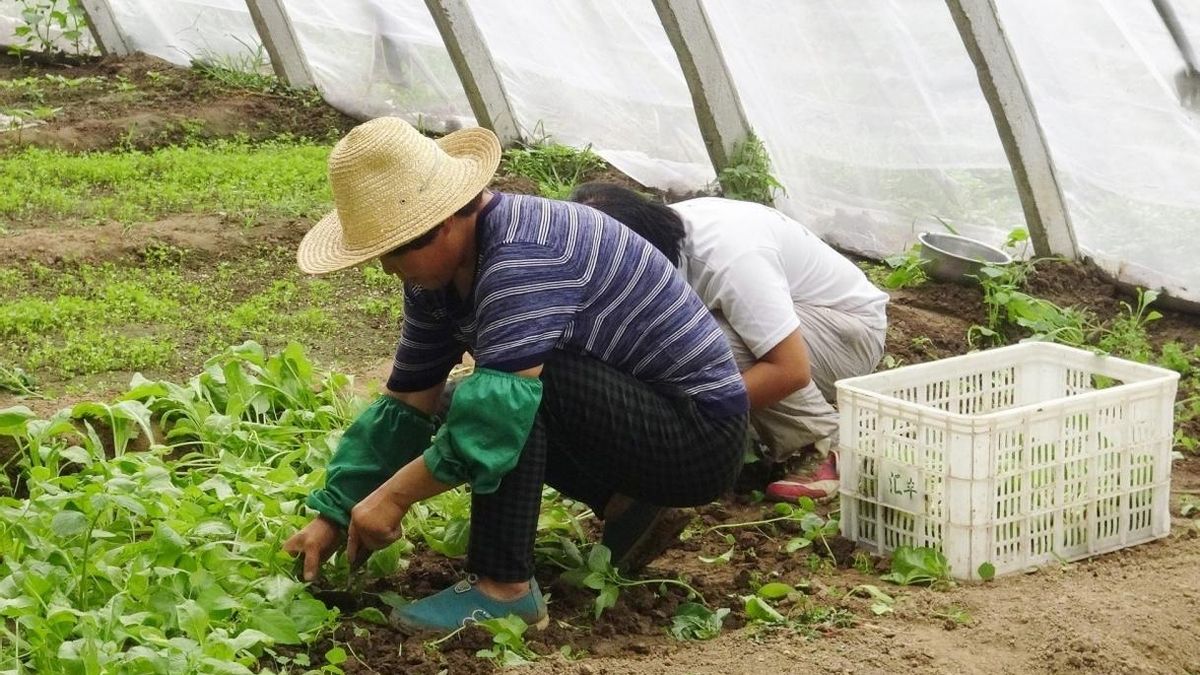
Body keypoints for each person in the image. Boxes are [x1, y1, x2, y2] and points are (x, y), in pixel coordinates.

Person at [283, 118, 748, 634]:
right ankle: (629, 504)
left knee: (508, 397)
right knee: (458, 400)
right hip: (636, 422)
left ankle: (503, 589)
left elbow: (495, 418)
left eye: (394, 251)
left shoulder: (524, 254)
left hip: (698, 437)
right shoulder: (435, 281)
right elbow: (407, 402)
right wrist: (336, 510)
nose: (389, 270)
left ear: (444, 223)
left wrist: (393, 498)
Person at [569, 183, 887, 502]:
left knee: (706, 343)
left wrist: (690, 419)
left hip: (848, 334)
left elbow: (790, 370)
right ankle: (752, 441)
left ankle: (825, 443)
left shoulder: (729, 255)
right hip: (800, 326)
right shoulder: (658, 238)